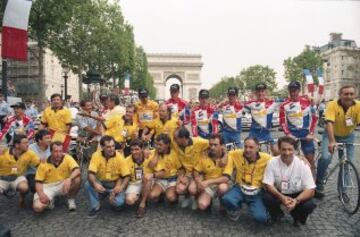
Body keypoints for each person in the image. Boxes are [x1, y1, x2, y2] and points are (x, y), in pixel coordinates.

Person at [316, 85, 360, 198]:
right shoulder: (332, 104)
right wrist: (332, 141)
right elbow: (329, 123)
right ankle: (319, 183)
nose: (349, 96)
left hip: (348, 136)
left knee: (347, 163)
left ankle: (343, 191)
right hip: (331, 134)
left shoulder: (358, 106)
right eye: (346, 94)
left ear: (354, 95)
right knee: (325, 158)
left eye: (351, 94)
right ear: (340, 95)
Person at [263, 136, 316, 225]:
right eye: (283, 149)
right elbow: (268, 184)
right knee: (266, 197)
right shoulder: (272, 162)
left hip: (297, 194)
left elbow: (311, 190)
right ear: (279, 150)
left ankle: (298, 217)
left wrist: (296, 200)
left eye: (290, 149)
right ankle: (277, 214)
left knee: (309, 205)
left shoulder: (303, 164)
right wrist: (281, 197)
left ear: (295, 150)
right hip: (279, 192)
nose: (287, 153)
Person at [221, 137, 271, 223]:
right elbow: (228, 153)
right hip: (239, 188)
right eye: (245, 146)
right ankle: (236, 208)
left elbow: (279, 161)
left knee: (261, 218)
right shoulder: (236, 154)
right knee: (227, 199)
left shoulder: (267, 158)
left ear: (258, 147)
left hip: (256, 191)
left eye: (251, 147)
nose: (247, 150)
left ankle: (264, 212)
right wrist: (224, 155)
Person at [85, 136, 130, 218]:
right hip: (100, 182)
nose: (111, 149)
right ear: (102, 147)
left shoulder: (119, 157)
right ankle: (96, 206)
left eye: (113, 146)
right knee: (88, 184)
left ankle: (109, 197)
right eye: (108, 147)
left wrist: (120, 187)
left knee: (118, 203)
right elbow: (90, 173)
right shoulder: (96, 155)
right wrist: (95, 184)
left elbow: (126, 176)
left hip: (114, 183)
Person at [279, 81, 317, 176]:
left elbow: (314, 118)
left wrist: (311, 133)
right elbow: (282, 122)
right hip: (292, 135)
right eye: (291, 91)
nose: (293, 93)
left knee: (310, 159)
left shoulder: (307, 102)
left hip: (306, 134)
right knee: (290, 160)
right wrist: (288, 134)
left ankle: (313, 185)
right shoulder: (284, 105)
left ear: (299, 90)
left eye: (295, 90)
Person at [33, 141, 81, 213]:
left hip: (63, 183)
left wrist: (69, 179)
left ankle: (70, 199)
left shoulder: (67, 158)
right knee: (37, 208)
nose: (58, 154)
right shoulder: (43, 163)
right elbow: (38, 182)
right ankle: (50, 201)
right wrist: (41, 194)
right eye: (55, 151)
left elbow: (77, 170)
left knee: (77, 179)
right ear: (51, 152)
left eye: (60, 151)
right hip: (48, 186)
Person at [173, 127, 209, 209]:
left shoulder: (199, 141)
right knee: (179, 189)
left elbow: (211, 144)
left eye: (176, 138)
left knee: (192, 189)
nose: (174, 140)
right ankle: (187, 197)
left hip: (198, 172)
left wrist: (206, 154)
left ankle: (196, 198)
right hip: (187, 172)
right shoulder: (175, 144)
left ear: (184, 138)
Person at [0, 134, 40, 208]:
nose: (28, 145)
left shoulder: (30, 153)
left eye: (28, 142)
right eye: (25, 143)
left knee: (24, 187)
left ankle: (22, 198)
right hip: (2, 178)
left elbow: (39, 165)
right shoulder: (3, 153)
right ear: (17, 145)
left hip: (18, 177)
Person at [193, 134, 229, 210]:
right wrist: (198, 180)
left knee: (223, 188)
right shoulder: (204, 156)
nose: (212, 147)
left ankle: (222, 201)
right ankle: (206, 199)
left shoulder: (228, 158)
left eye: (215, 145)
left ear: (222, 145)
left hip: (223, 183)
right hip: (210, 186)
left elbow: (226, 178)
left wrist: (208, 182)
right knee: (202, 205)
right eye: (211, 144)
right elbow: (196, 170)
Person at [245, 83, 282, 155]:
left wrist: (308, 98)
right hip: (253, 133)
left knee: (276, 151)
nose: (260, 93)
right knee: (250, 153)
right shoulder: (251, 103)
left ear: (266, 92)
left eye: (262, 91)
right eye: (258, 91)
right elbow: (238, 107)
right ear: (255, 93)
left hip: (266, 133)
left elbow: (289, 100)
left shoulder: (272, 102)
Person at [148, 134, 182, 207]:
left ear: (167, 145)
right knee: (152, 196)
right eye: (156, 144)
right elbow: (151, 166)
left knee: (171, 198)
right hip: (160, 179)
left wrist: (179, 180)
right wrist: (157, 154)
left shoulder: (174, 154)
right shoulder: (154, 152)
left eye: (160, 145)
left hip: (172, 180)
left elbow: (180, 168)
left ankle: (172, 196)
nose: (157, 146)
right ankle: (162, 194)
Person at [124, 139, 153, 208]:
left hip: (148, 182)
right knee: (129, 200)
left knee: (147, 178)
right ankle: (141, 196)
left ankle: (142, 204)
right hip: (134, 183)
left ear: (142, 149)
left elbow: (157, 151)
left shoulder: (149, 157)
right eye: (132, 150)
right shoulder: (126, 161)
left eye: (137, 149)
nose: (134, 152)